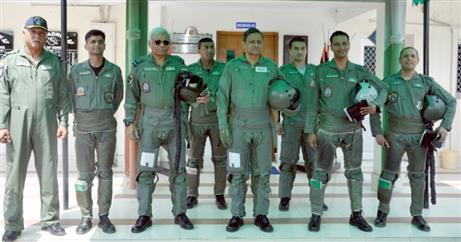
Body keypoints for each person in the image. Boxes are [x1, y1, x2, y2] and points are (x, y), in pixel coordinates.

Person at [305, 30, 388, 232]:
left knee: (355, 174)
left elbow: (383, 88)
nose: (341, 47)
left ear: (349, 46)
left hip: (353, 130)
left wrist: (376, 104)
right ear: (331, 46)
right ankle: (316, 214)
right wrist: (310, 130)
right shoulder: (321, 70)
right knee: (319, 174)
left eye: (344, 43)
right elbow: (311, 102)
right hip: (327, 129)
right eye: (337, 44)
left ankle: (356, 214)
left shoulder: (360, 71)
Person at [0, 16, 71, 242]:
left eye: (41, 32)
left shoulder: (54, 62)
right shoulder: (10, 61)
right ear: (24, 33)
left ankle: (51, 220)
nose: (37, 35)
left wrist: (63, 122)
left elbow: (63, 94)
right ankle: (12, 223)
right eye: (33, 31)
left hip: (46, 122)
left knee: (49, 172)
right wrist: (2, 125)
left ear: (46, 35)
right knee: (14, 176)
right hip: (17, 123)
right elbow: (3, 95)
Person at [371, 47, 456, 232]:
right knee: (388, 174)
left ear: (417, 60)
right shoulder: (389, 83)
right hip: (393, 135)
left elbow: (451, 101)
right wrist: (377, 132)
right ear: (399, 60)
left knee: (418, 176)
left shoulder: (426, 82)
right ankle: (382, 210)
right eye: (405, 56)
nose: (409, 59)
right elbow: (375, 107)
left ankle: (417, 215)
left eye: (412, 56)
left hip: (419, 136)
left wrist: (445, 126)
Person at [124, 27, 193, 233]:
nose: (162, 45)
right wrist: (129, 123)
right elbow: (131, 98)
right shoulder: (140, 66)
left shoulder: (179, 66)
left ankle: (180, 212)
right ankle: (144, 214)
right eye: (158, 42)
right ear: (150, 44)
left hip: (175, 123)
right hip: (150, 125)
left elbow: (189, 93)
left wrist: (199, 98)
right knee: (145, 170)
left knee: (179, 170)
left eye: (165, 42)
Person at [217, 28, 284, 233]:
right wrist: (223, 125)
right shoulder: (232, 67)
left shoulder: (271, 67)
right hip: (238, 126)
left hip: (263, 126)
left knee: (262, 173)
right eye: (252, 41)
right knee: (237, 173)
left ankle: (261, 214)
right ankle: (237, 214)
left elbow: (280, 95)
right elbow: (222, 97)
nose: (256, 45)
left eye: (259, 41)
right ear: (244, 44)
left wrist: (277, 122)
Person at [68, 29, 123, 234]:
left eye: (100, 41)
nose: (96, 45)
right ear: (86, 45)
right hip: (83, 127)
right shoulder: (76, 70)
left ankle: (104, 216)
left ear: (105, 45)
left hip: (107, 126)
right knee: (84, 175)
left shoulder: (114, 70)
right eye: (92, 42)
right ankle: (85, 216)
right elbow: (70, 95)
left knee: (106, 173)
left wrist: (104, 112)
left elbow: (118, 97)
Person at [277, 36, 329, 212]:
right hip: (290, 123)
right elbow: (274, 97)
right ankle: (284, 197)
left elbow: (325, 96)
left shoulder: (316, 71)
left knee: (314, 164)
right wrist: (276, 121)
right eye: (296, 48)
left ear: (306, 50)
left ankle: (317, 198)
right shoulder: (282, 71)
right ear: (290, 51)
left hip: (313, 126)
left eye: (302, 48)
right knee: (287, 162)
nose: (299, 51)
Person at [186, 38, 228, 210]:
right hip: (196, 121)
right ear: (199, 50)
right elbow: (183, 96)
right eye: (206, 47)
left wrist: (213, 98)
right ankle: (192, 194)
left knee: (220, 159)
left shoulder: (223, 69)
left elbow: (227, 94)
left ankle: (219, 194)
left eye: (212, 47)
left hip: (217, 120)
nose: (209, 50)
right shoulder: (190, 70)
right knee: (193, 160)